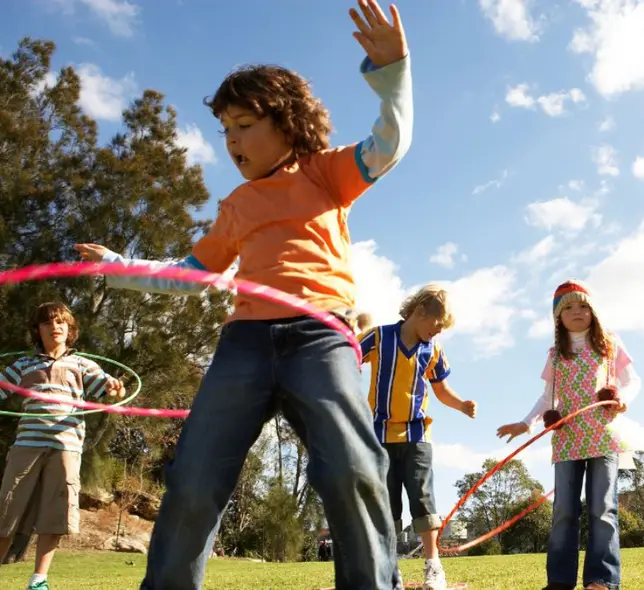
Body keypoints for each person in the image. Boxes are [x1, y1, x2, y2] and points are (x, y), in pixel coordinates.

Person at [73, 1, 412, 587]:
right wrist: (118, 267)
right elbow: (188, 271)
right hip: (244, 344)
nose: (232, 141)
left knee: (352, 467)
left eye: (244, 125)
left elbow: (389, 143)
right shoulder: (235, 206)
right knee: (195, 476)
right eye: (224, 129)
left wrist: (394, 76)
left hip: (319, 337)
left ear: (287, 121)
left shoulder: (324, 172)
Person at [496, 280, 641, 590]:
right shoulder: (556, 354)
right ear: (557, 317)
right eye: (569, 307)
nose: (578, 311)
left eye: (584, 306)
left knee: (602, 508)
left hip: (603, 434)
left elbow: (633, 380)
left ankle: (601, 580)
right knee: (564, 510)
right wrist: (527, 423)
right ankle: (560, 581)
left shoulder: (609, 344)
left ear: (594, 311)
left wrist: (623, 397)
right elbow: (548, 397)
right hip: (567, 438)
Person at [358, 285, 477, 590]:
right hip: (380, 434)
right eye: (437, 325)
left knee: (423, 499)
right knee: (386, 504)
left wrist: (461, 404)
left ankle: (433, 567)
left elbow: (440, 390)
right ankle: (386, 569)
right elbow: (349, 357)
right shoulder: (380, 337)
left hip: (417, 434)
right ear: (420, 311)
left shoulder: (432, 349)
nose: (437, 333)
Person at [0, 302, 124, 590]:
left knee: (56, 512)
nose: (54, 327)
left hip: (66, 447)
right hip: (26, 446)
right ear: (37, 330)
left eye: (60, 322)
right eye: (47, 323)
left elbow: (109, 389)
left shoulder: (83, 364)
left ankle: (39, 580)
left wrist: (117, 388)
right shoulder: (23, 364)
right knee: (7, 508)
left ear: (70, 330)